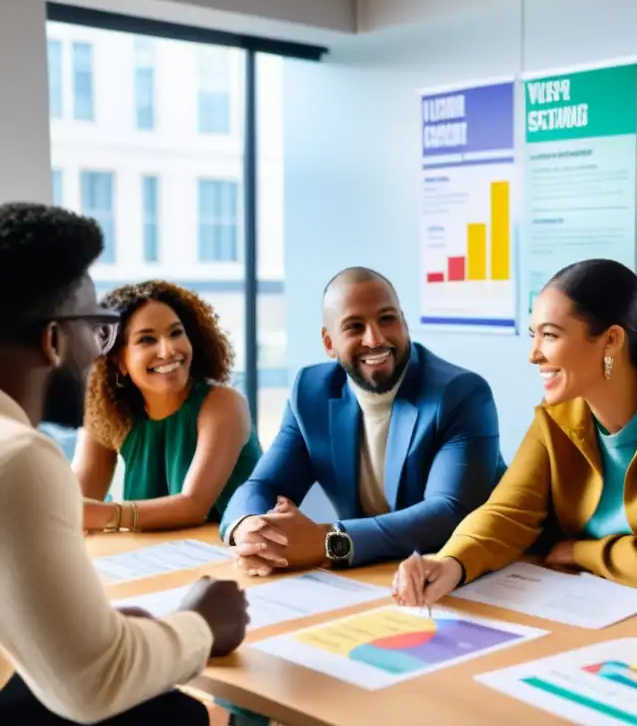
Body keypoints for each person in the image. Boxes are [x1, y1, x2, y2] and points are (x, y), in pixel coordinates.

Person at [0, 202, 249, 724]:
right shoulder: (20, 458)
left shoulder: (218, 402)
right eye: (96, 328)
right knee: (175, 715)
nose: (96, 350)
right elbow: (94, 683)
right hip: (186, 598)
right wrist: (199, 624)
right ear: (52, 340)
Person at [393, 258, 637, 605]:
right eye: (533, 335)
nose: (534, 354)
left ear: (611, 341)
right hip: (612, 604)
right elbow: (507, 514)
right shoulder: (557, 416)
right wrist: (449, 563)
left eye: (551, 335)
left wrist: (581, 551)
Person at [221, 267, 503, 576]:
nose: (376, 339)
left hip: (463, 573)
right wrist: (249, 529)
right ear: (329, 343)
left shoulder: (460, 394)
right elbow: (265, 484)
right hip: (372, 575)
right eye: (355, 327)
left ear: (404, 322)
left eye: (387, 319)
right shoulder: (310, 392)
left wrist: (330, 541)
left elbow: (450, 512)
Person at [73, 280, 261, 532]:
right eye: (147, 340)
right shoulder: (108, 413)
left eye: (176, 333)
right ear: (119, 361)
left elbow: (193, 506)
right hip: (160, 557)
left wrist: (108, 514)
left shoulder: (223, 403)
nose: (169, 350)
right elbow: (77, 503)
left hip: (238, 557)